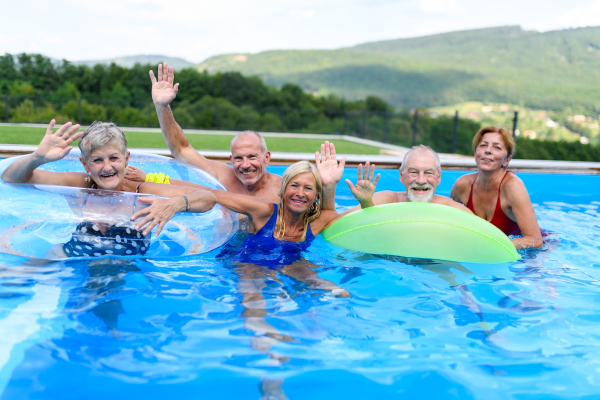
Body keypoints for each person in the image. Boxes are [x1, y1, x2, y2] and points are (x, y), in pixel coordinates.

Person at [1, 120, 217, 258]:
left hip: (125, 273)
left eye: (114, 158)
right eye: (97, 160)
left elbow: (207, 198)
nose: (107, 167)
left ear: (126, 159)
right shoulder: (80, 187)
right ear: (85, 165)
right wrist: (36, 158)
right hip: (70, 260)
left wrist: (175, 204)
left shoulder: (141, 192)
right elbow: (11, 177)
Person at [450, 126, 543, 249]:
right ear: (475, 153)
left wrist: (490, 246)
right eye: (483, 145)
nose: (488, 150)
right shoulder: (462, 185)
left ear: (507, 160)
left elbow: (535, 241)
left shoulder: (513, 187)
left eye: (497, 147)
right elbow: (449, 224)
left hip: (535, 251)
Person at [341, 145, 472, 214]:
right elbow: (336, 222)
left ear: (439, 178)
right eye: (413, 172)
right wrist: (366, 204)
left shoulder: (452, 210)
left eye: (428, 173)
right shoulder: (384, 201)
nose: (421, 180)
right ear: (401, 176)